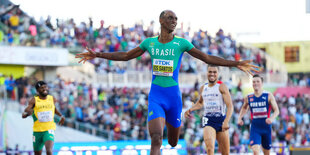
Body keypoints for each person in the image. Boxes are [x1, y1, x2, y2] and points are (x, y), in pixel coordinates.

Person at [76, 10, 259, 155]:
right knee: (156, 138)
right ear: (161, 21)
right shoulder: (149, 43)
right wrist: (97, 54)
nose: (174, 21)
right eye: (170, 18)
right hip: (156, 96)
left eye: (176, 18)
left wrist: (235, 63)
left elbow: (206, 57)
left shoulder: (182, 43)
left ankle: (173, 135)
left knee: (172, 141)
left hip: (174, 98)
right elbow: (125, 55)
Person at [184, 65, 233, 155]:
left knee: (225, 153)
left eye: (214, 72)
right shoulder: (203, 88)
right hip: (208, 120)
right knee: (210, 149)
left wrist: (226, 121)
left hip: (221, 120)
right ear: (206, 72)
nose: (212, 74)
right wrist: (190, 109)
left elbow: (230, 106)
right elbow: (200, 102)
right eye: (210, 72)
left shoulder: (222, 87)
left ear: (218, 73)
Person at [237, 74, 279, 155]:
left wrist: (272, 118)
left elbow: (277, 110)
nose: (255, 83)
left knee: (267, 153)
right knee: (255, 151)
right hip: (255, 128)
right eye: (254, 82)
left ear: (262, 83)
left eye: (257, 81)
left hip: (266, 128)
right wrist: (240, 118)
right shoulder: (248, 97)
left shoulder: (268, 96)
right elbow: (244, 108)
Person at [22, 81, 65, 155]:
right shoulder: (34, 100)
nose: (45, 89)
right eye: (42, 88)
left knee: (49, 151)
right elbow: (26, 111)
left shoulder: (52, 99)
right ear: (37, 90)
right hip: (37, 131)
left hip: (49, 129)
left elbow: (53, 109)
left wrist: (61, 116)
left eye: (45, 87)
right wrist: (27, 113)